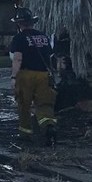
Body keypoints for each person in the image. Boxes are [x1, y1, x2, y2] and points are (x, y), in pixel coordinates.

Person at [10, 8, 57, 145]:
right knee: (44, 103)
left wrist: (14, 77)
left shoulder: (19, 38)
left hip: (26, 75)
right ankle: (48, 126)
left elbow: (18, 58)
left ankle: (25, 134)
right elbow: (50, 56)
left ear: (19, 24)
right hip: (44, 75)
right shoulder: (43, 36)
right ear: (32, 22)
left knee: (24, 104)